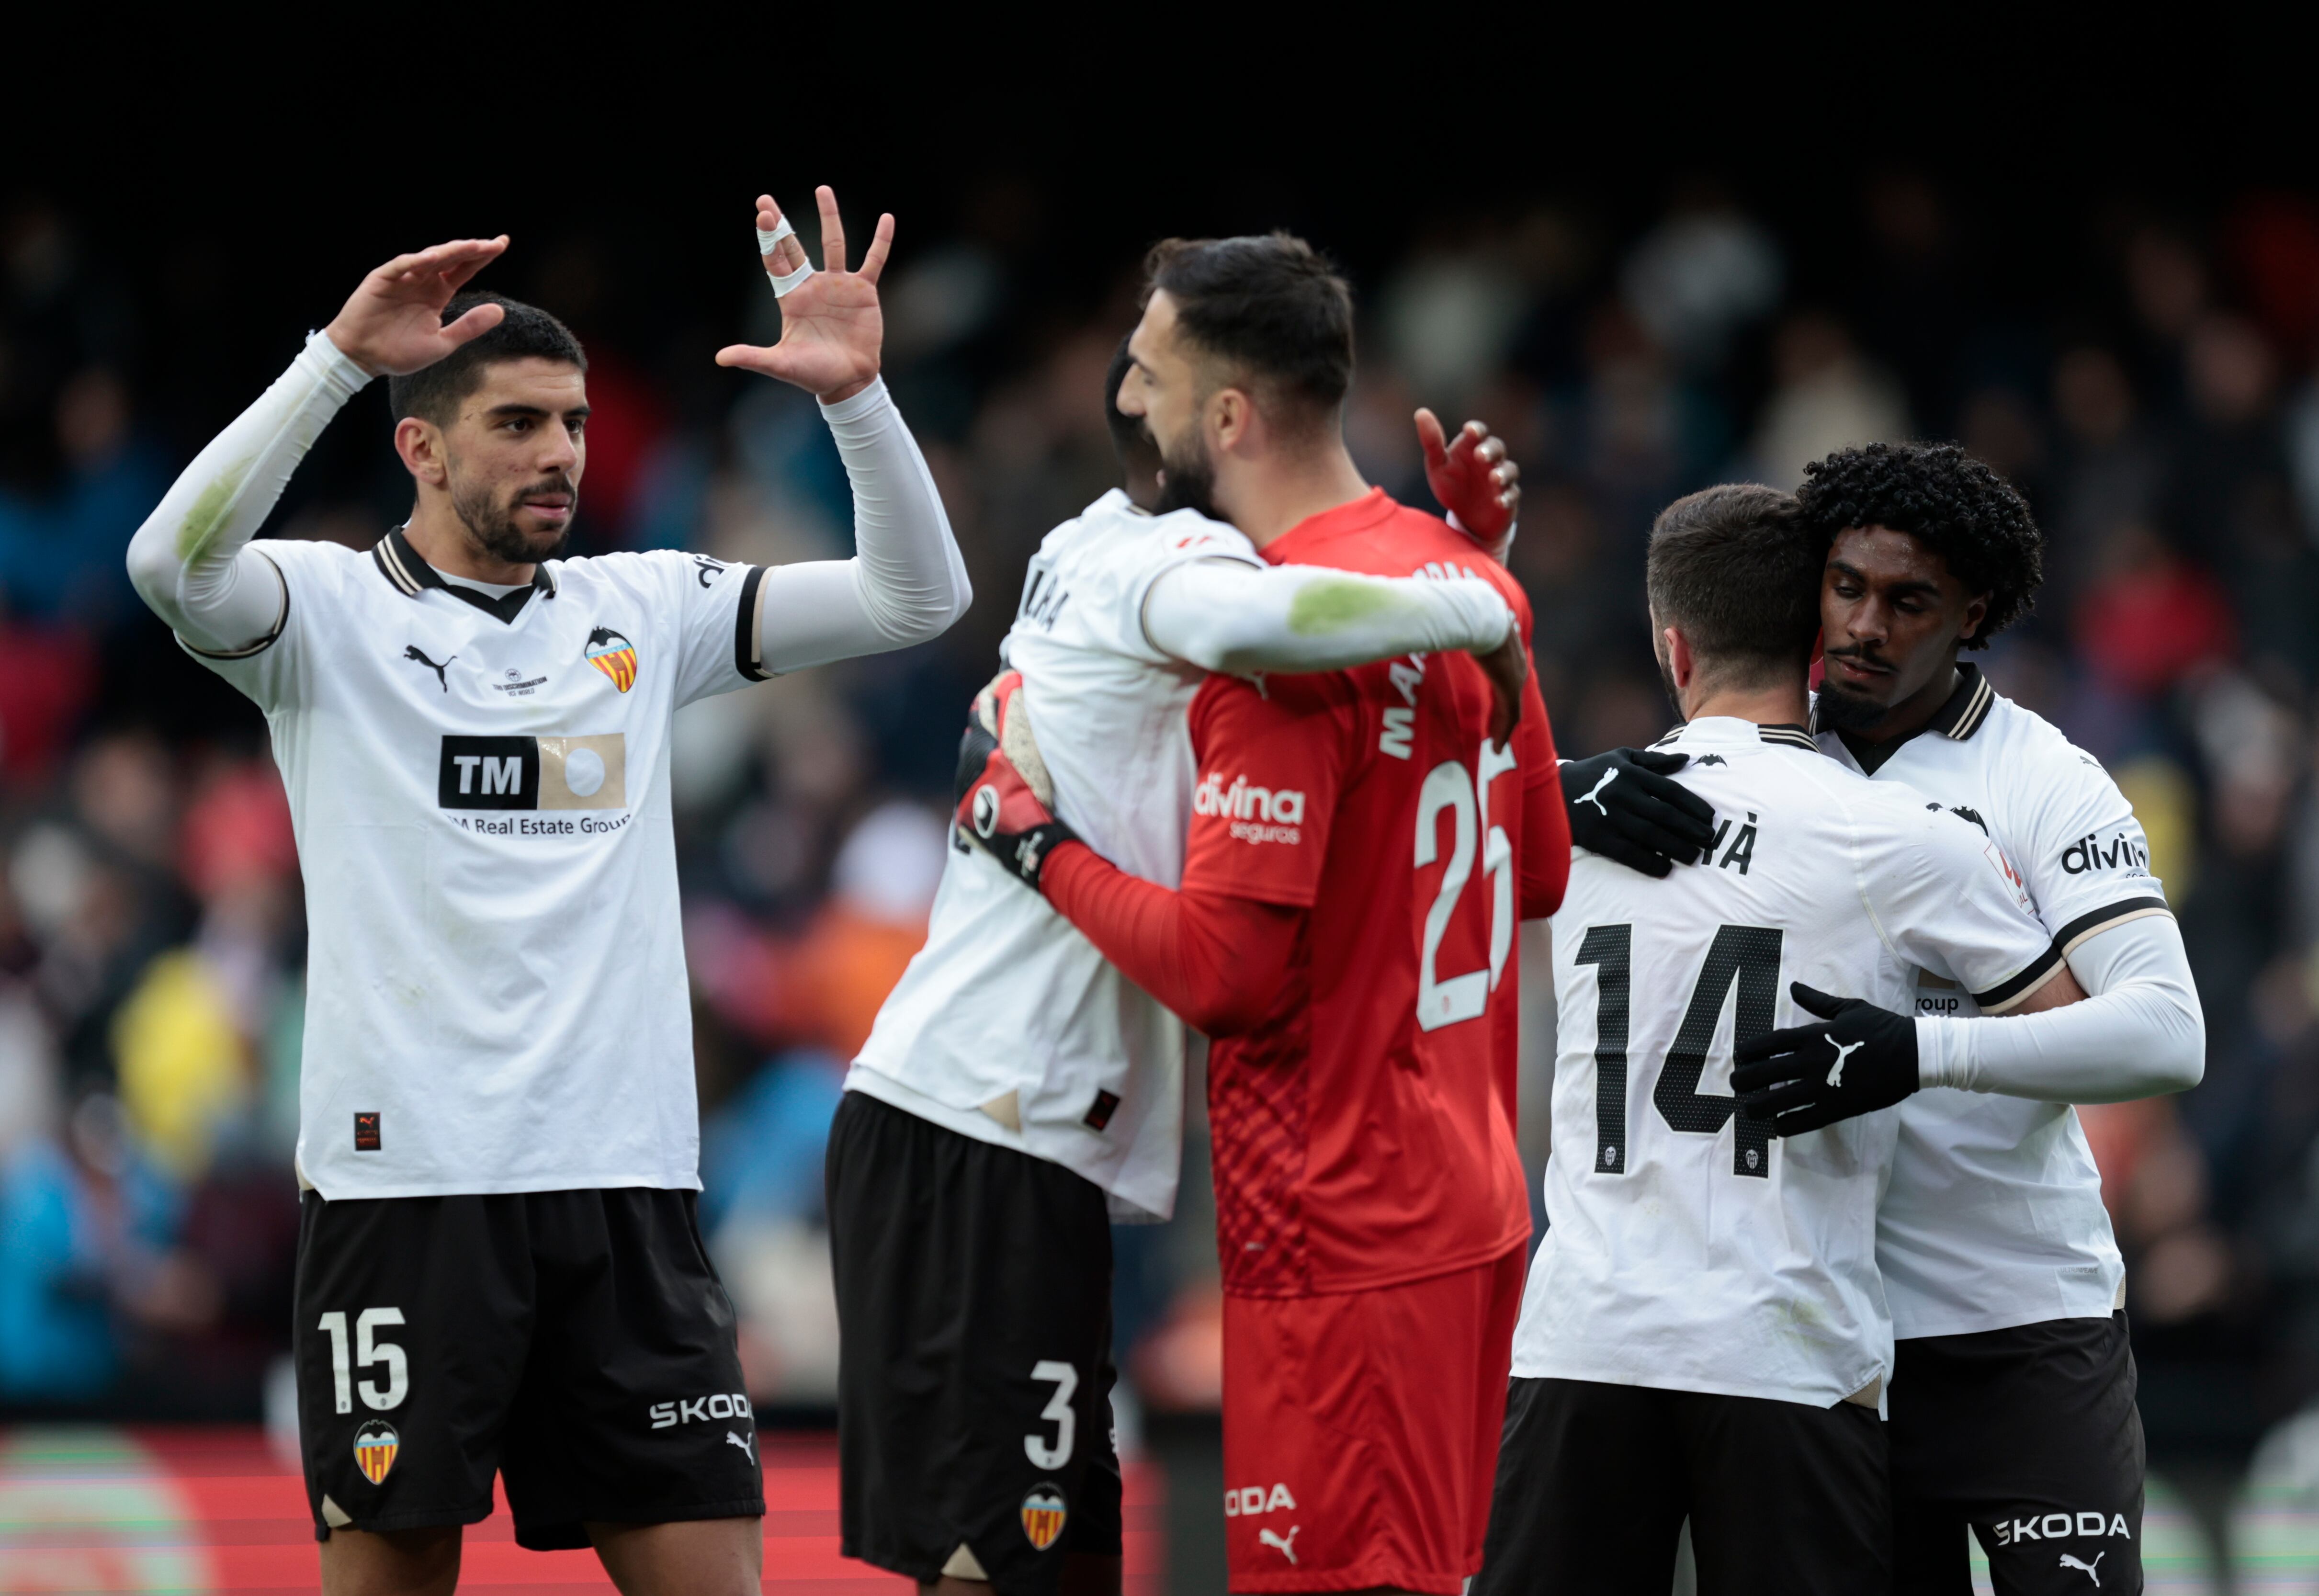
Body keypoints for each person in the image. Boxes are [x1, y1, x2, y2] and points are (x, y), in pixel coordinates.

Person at [123, 189, 968, 1596]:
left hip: (626, 1192)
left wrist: (860, 403)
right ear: (421, 445)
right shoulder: (323, 616)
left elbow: (915, 597)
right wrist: (335, 354)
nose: (559, 453)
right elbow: (169, 563)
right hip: (411, 1192)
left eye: (571, 422)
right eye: (517, 423)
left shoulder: (644, 608)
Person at [828, 329, 1526, 1596]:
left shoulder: (1077, 544)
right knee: (1007, 1569)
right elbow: (1271, 614)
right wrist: (1472, 595)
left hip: (1021, 1127)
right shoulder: (1171, 561)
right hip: (990, 1116)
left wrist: (1463, 553)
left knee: (1063, 1562)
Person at [1567, 441, 2206, 1594]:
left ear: (1974, 616)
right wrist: (1561, 788)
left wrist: (1921, 1050)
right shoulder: (1766, 745)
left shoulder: (2043, 782)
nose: (1863, 626)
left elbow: (2167, 1031)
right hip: (1845, 1336)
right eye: (1846, 588)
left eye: (1908, 601)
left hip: (2026, 1320)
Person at [1480, 482, 2081, 1596]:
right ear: (1818, 637)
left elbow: (1386, 851)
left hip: (1583, 1343)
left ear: (1672, 645)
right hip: (1787, 1351)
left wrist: (1539, 793)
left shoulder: (1569, 824)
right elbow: (2069, 1037)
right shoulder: (1897, 836)